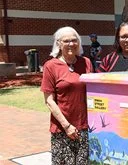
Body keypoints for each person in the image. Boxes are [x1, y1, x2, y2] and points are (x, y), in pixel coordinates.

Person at [40, 26, 92, 164]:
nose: (71, 44)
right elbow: (49, 101)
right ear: (59, 44)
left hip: (84, 127)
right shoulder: (50, 66)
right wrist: (67, 126)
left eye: (74, 40)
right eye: (66, 41)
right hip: (62, 128)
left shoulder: (86, 62)